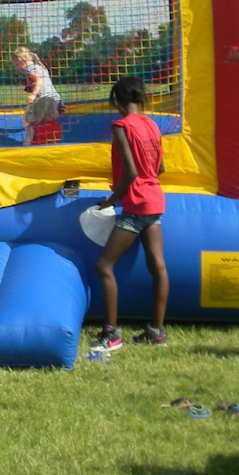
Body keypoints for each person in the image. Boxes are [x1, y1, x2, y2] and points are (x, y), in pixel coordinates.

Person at [89, 76, 169, 353]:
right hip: (155, 200)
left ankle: (111, 333)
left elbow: (132, 172)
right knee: (158, 267)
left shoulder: (121, 126)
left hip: (136, 204)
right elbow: (160, 168)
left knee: (103, 265)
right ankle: (156, 331)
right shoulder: (151, 124)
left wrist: (110, 201)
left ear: (117, 101)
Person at [13, 46, 63, 145]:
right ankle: (49, 139)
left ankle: (29, 141)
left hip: (46, 99)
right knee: (47, 120)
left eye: (17, 65)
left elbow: (39, 80)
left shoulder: (30, 69)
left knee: (26, 119)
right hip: (55, 98)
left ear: (23, 60)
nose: (17, 68)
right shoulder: (39, 67)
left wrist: (33, 95)